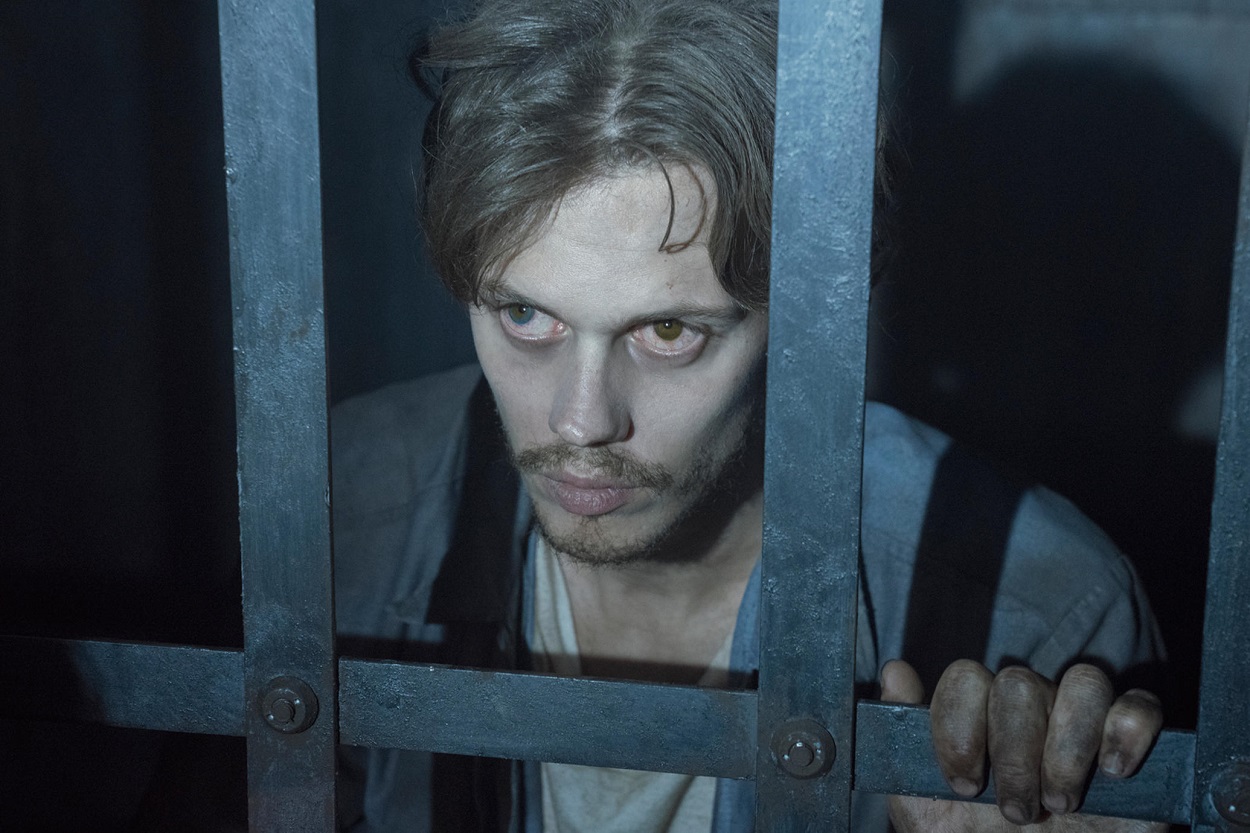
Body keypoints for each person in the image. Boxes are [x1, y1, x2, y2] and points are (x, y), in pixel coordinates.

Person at [331, 0, 1166, 830]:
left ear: (803, 322)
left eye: (668, 332)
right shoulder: (333, 520)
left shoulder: (1037, 608)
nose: (580, 421)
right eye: (525, 316)